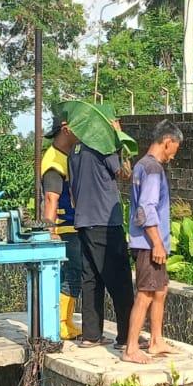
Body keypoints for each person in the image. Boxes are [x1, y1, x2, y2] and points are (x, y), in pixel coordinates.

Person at [66, 104, 135, 349]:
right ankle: (127, 336)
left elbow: (73, 189)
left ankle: (91, 335)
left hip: (83, 221)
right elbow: (125, 174)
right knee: (120, 280)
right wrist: (120, 141)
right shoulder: (103, 147)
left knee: (91, 279)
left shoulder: (74, 151)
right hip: (105, 221)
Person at [122, 121, 183, 364]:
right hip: (149, 243)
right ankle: (131, 348)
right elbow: (146, 209)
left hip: (149, 241)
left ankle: (156, 340)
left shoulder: (141, 165)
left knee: (160, 289)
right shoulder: (153, 169)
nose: (174, 154)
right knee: (146, 293)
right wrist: (157, 243)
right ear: (168, 142)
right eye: (175, 147)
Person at [39, 114, 82, 340]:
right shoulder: (54, 160)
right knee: (71, 273)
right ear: (65, 129)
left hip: (73, 225)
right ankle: (61, 321)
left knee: (75, 273)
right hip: (64, 228)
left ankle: (68, 320)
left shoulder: (65, 156)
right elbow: (50, 198)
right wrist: (50, 230)